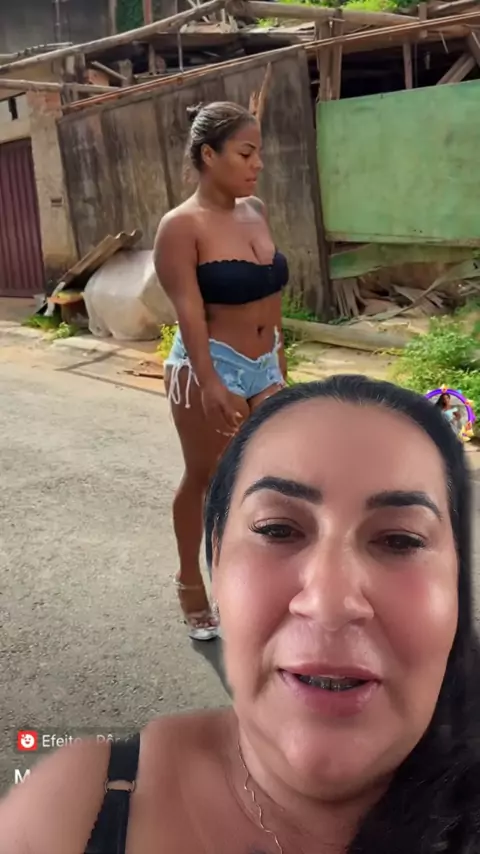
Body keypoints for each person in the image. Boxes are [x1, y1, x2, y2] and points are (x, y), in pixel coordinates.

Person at [2, 374, 479, 854]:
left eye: (400, 540)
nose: (329, 603)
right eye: (277, 530)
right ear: (216, 555)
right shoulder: (73, 812)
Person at [154, 100, 288, 641]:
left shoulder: (255, 210)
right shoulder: (180, 226)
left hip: (265, 364)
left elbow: (272, 293)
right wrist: (210, 381)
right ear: (209, 155)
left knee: (268, 483)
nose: (258, 164)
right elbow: (188, 312)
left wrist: (278, 361)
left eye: (259, 153)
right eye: (246, 153)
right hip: (210, 365)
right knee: (207, 478)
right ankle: (191, 582)